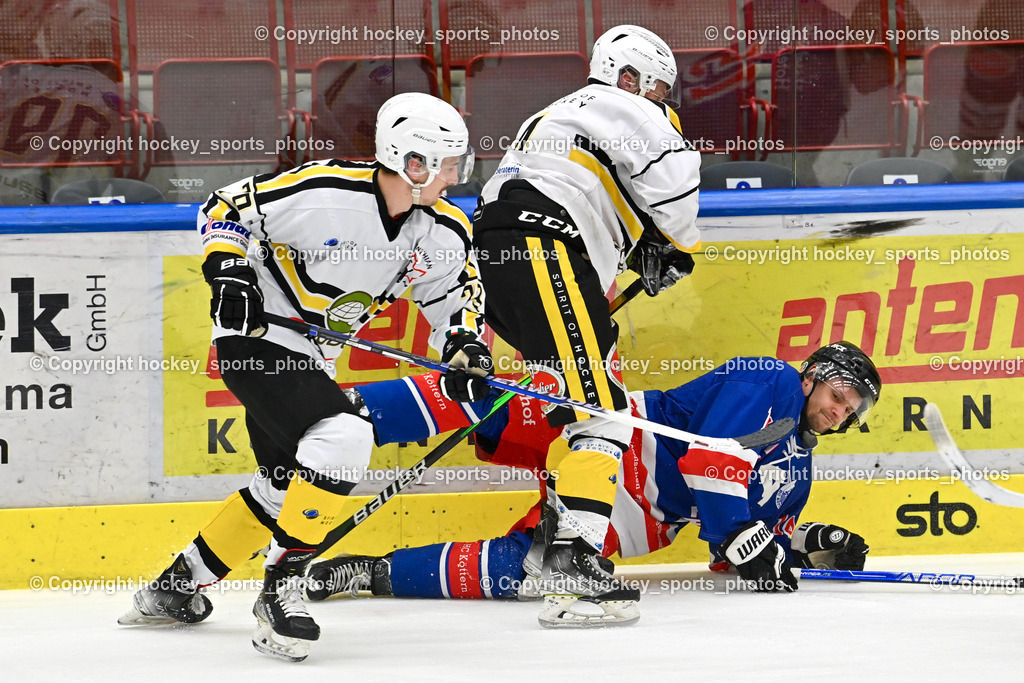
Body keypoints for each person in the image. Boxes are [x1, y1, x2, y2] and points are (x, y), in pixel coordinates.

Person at [118, 92, 491, 663]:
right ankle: (282, 586)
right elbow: (225, 209)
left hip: (314, 355)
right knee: (344, 435)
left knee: (285, 486)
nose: (454, 175)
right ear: (410, 162)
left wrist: (464, 350)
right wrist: (230, 273)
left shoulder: (445, 231)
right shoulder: (324, 191)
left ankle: (174, 589)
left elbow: (452, 301)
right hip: (254, 336)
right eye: (445, 164)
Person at [304, 342, 879, 623]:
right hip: (618, 433)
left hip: (641, 515)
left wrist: (812, 546)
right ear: (812, 379)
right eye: (837, 395)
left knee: (527, 570)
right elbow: (710, 466)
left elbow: (749, 550)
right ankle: (349, 411)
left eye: (851, 408)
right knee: (490, 401)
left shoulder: (798, 471)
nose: (840, 411)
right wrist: (750, 546)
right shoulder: (773, 379)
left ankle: (368, 570)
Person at [471, 24, 701, 627]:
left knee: (584, 402)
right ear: (629, 76)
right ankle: (573, 562)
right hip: (543, 248)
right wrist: (673, 244)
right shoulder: (621, 105)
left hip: (506, 252)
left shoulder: (552, 118)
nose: (659, 100)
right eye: (656, 87)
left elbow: (588, 192)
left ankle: (560, 542)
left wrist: (639, 245)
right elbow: (676, 179)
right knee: (603, 412)